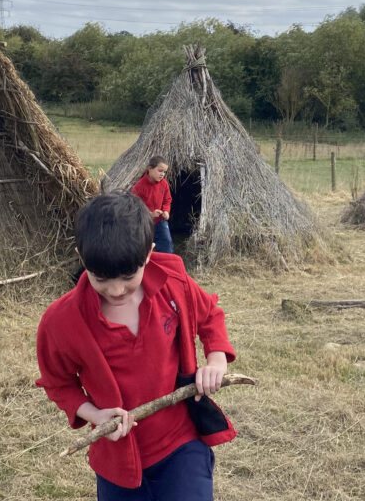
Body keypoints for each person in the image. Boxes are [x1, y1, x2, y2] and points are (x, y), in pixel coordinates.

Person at [36, 192, 236, 500]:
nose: (116, 290)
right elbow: (58, 383)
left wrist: (216, 361)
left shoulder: (173, 281)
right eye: (100, 278)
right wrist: (95, 415)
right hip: (116, 460)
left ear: (149, 253)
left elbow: (210, 315)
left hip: (181, 443)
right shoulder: (61, 322)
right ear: (82, 257)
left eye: (129, 276)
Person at [131, 156, 174, 254]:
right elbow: (135, 208)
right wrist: (150, 214)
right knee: (143, 248)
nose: (162, 174)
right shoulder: (139, 187)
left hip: (160, 221)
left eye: (164, 172)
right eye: (160, 171)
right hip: (144, 224)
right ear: (150, 169)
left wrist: (166, 211)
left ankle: (166, 265)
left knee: (167, 243)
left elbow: (167, 200)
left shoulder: (164, 184)